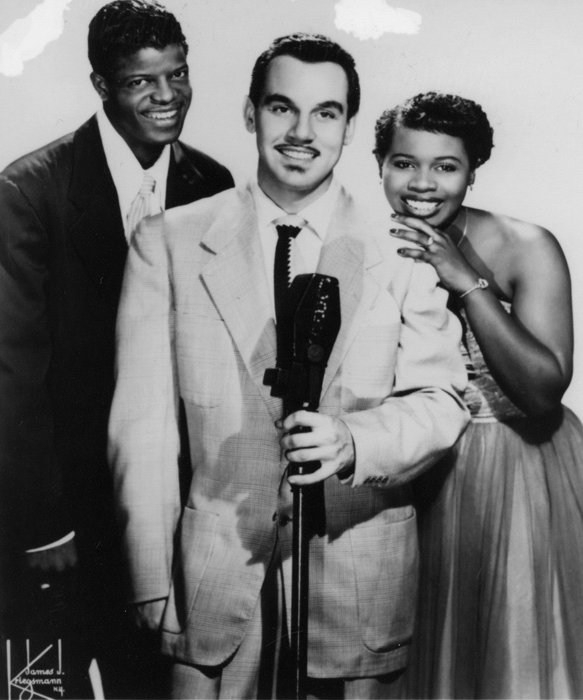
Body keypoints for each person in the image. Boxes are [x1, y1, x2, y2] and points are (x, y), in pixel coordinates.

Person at [108, 34, 469, 700]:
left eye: (326, 113)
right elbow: (141, 430)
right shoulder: (169, 243)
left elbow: (444, 401)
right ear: (250, 113)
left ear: (349, 126)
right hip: (210, 589)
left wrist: (355, 441)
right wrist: (151, 585)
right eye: (282, 108)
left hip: (358, 592)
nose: (303, 132)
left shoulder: (403, 252)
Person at [0, 1, 234, 697]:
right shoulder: (25, 193)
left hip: (167, 522)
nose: (168, 98)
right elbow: (11, 382)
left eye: (178, 75)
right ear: (101, 84)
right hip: (60, 522)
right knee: (38, 688)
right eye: (141, 82)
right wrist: (43, 526)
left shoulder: (211, 185)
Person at [375, 91, 583, 698]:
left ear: (473, 172)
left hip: (514, 476)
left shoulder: (526, 244)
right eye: (404, 162)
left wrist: (465, 281)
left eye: (447, 166)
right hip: (405, 475)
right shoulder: (353, 241)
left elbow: (544, 390)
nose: (423, 183)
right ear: (379, 163)